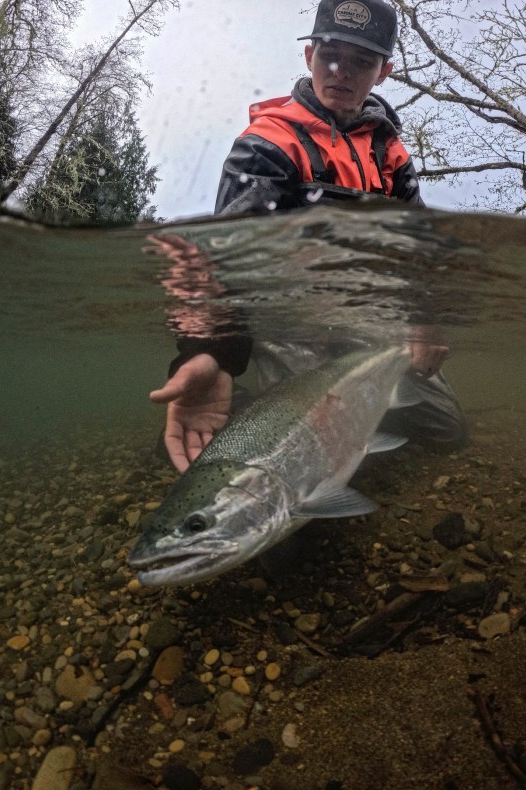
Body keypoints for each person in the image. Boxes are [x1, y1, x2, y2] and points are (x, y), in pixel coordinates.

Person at [150, 0, 464, 473]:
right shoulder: (268, 142)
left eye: (362, 61)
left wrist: (427, 316)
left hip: (367, 322)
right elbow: (228, 257)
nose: (341, 71)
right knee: (306, 460)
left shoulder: (391, 152)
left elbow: (417, 246)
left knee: (447, 432)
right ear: (308, 57)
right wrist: (211, 352)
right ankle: (238, 400)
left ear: (384, 72)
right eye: (329, 55)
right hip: (293, 321)